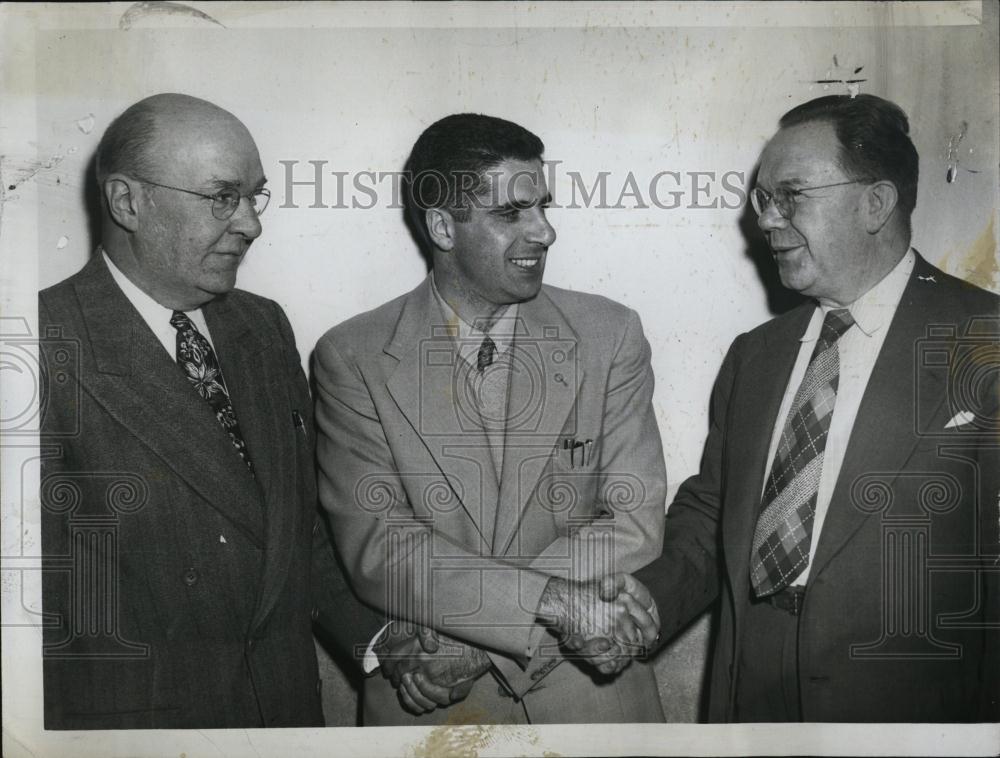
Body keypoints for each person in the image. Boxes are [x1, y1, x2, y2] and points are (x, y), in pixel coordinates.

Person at [626, 94, 1000, 722]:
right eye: (762, 199)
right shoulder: (757, 355)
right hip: (750, 704)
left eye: (791, 195)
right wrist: (641, 606)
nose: (768, 221)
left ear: (875, 203)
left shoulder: (985, 342)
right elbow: (712, 512)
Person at [38, 93, 382, 729]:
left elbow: (297, 526)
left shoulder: (263, 325)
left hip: (285, 717)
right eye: (223, 196)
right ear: (127, 202)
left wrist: (382, 644)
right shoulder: (37, 346)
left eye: (255, 196)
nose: (251, 223)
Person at [314, 113, 666, 724]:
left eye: (544, 207)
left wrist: (478, 638)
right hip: (435, 715)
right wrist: (552, 603)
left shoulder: (610, 334)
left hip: (588, 699)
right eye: (512, 214)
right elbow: (380, 549)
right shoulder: (352, 356)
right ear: (443, 227)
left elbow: (633, 522)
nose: (546, 232)